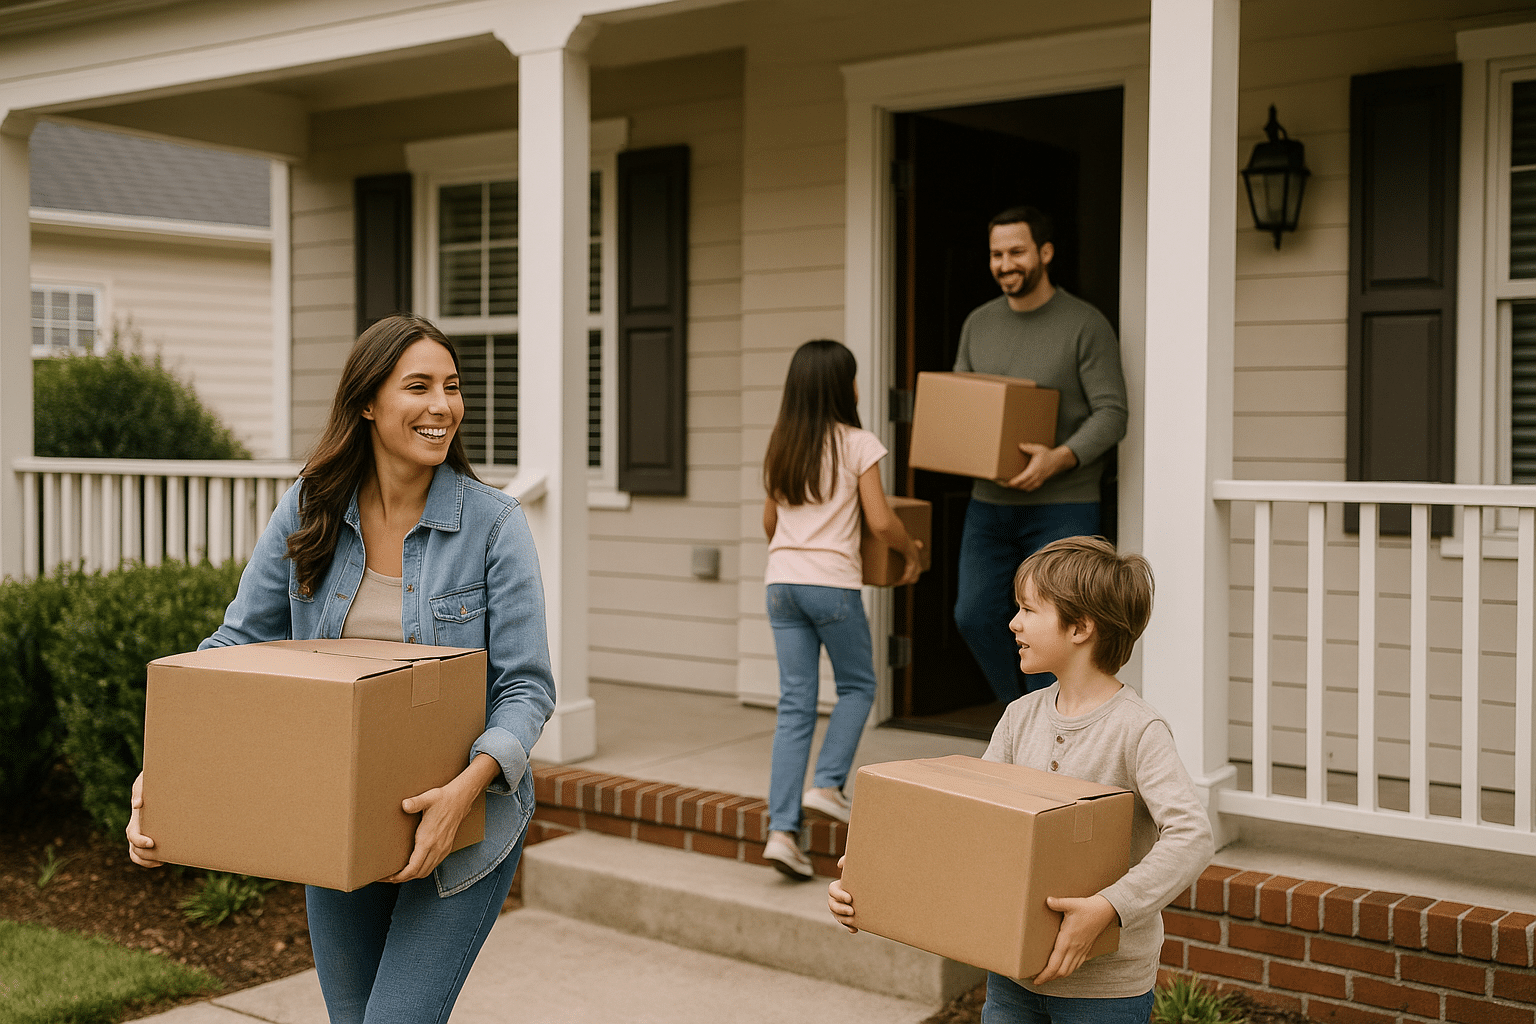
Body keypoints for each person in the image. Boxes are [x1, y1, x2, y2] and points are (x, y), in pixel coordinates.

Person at [125, 314, 556, 1024]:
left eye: (452, 387)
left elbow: (526, 689)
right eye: (418, 386)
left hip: (461, 827)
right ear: (366, 402)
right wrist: (164, 771)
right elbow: (236, 645)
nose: (442, 405)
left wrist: (463, 794)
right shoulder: (310, 509)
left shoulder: (494, 525)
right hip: (339, 813)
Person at [828, 537, 1213, 1023]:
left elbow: (1192, 837)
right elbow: (972, 822)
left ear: (1080, 627)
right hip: (1012, 975)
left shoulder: (1137, 729)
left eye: (1029, 609)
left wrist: (1107, 908)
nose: (1013, 622)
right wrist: (873, 875)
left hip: (1103, 990)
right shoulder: (1019, 716)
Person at [760, 339, 923, 880]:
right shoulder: (859, 443)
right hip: (831, 585)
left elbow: (769, 523)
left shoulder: (782, 443)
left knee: (795, 705)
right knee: (858, 687)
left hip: (781, 582)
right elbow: (880, 521)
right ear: (843, 386)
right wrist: (911, 552)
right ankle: (828, 785)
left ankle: (783, 832)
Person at [952, 206, 1128, 702]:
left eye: (1016, 252)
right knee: (973, 615)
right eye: (996, 254)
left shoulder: (1084, 324)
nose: (1005, 263)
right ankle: (1024, 718)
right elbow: (962, 406)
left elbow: (1113, 413)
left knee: (1056, 628)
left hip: (1063, 505)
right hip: (988, 505)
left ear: (1044, 253)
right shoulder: (978, 324)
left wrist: (1060, 457)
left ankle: (1053, 738)